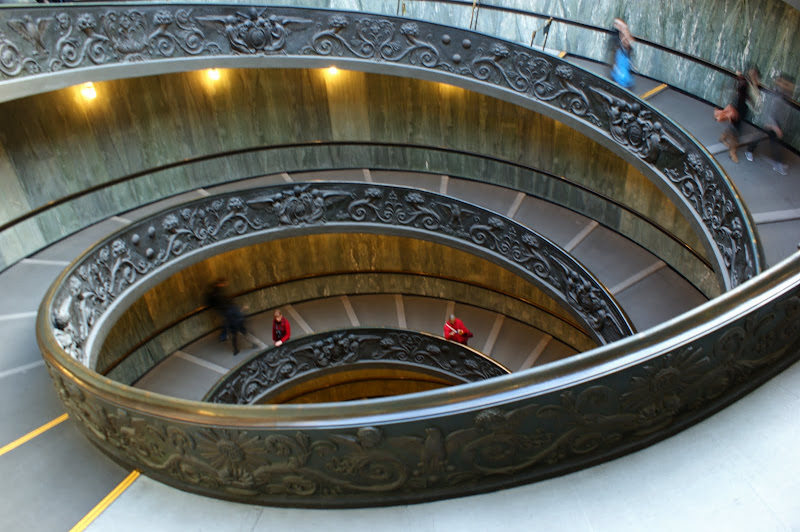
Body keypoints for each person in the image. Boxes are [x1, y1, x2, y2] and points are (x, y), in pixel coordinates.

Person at [745, 73, 795, 175]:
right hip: (770, 122)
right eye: (784, 83)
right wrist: (775, 127)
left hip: (776, 123)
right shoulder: (775, 96)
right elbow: (769, 112)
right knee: (761, 138)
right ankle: (749, 150)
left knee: (773, 142)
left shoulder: (784, 96)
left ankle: (777, 163)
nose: (787, 86)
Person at [206, 278, 248, 356]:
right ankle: (246, 343)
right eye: (224, 283)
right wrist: (242, 310)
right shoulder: (221, 295)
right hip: (233, 316)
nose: (226, 285)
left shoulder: (214, 294)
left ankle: (234, 349)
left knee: (233, 332)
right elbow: (237, 314)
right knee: (241, 330)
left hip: (228, 316)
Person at [717, 71, 750, 163]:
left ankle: (723, 137)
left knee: (733, 129)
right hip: (738, 109)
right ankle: (732, 153)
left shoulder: (745, 83)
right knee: (735, 133)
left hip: (740, 109)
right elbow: (738, 94)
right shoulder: (743, 83)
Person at [609, 18, 635, 89]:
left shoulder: (624, 50)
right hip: (620, 78)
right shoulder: (619, 50)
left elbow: (629, 43)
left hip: (622, 79)